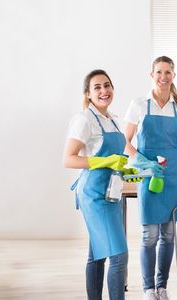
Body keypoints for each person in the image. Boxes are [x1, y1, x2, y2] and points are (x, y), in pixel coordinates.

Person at [124, 56, 177, 300]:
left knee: (168, 235)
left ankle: (162, 287)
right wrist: (144, 163)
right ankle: (149, 288)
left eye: (168, 72)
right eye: (159, 72)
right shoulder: (139, 104)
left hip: (172, 178)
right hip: (149, 176)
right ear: (152, 75)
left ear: (173, 76)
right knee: (149, 235)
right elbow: (125, 143)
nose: (163, 76)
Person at [64, 69, 130, 300]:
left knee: (98, 254)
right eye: (97, 87)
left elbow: (117, 157)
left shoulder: (112, 119)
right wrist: (104, 161)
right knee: (119, 256)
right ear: (88, 93)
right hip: (94, 193)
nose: (104, 91)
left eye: (107, 85)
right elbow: (69, 158)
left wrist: (127, 169)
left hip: (110, 192)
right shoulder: (84, 119)